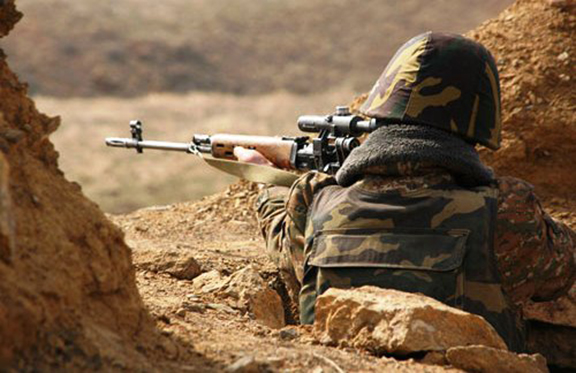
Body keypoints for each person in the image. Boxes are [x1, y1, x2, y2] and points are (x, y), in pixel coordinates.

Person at [234, 32, 575, 352]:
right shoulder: (505, 209)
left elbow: (281, 235)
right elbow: (559, 272)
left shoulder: (313, 199)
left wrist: (266, 178)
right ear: (480, 119)